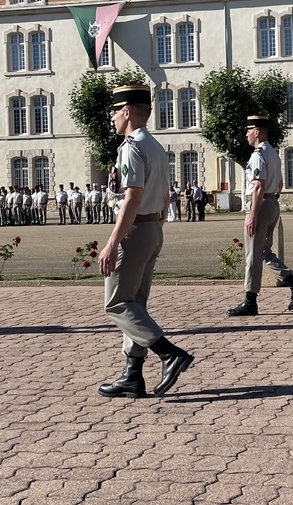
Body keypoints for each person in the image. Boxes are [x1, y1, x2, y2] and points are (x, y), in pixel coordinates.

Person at [97, 84, 194, 397]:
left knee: (116, 304)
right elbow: (164, 195)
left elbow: (133, 196)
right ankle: (132, 375)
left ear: (126, 112)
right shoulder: (154, 145)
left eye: (114, 112)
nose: (112, 118)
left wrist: (113, 240)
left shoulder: (131, 147)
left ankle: (168, 353)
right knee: (135, 304)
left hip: (136, 229)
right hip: (153, 228)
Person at [227, 114, 293, 317]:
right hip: (272, 203)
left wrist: (252, 214)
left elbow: (258, 186)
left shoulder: (258, 155)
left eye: (248, 131)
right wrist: (272, 200)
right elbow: (279, 183)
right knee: (263, 251)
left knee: (252, 255)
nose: (246, 134)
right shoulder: (273, 153)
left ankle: (250, 301)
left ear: (257, 132)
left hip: (261, 203)